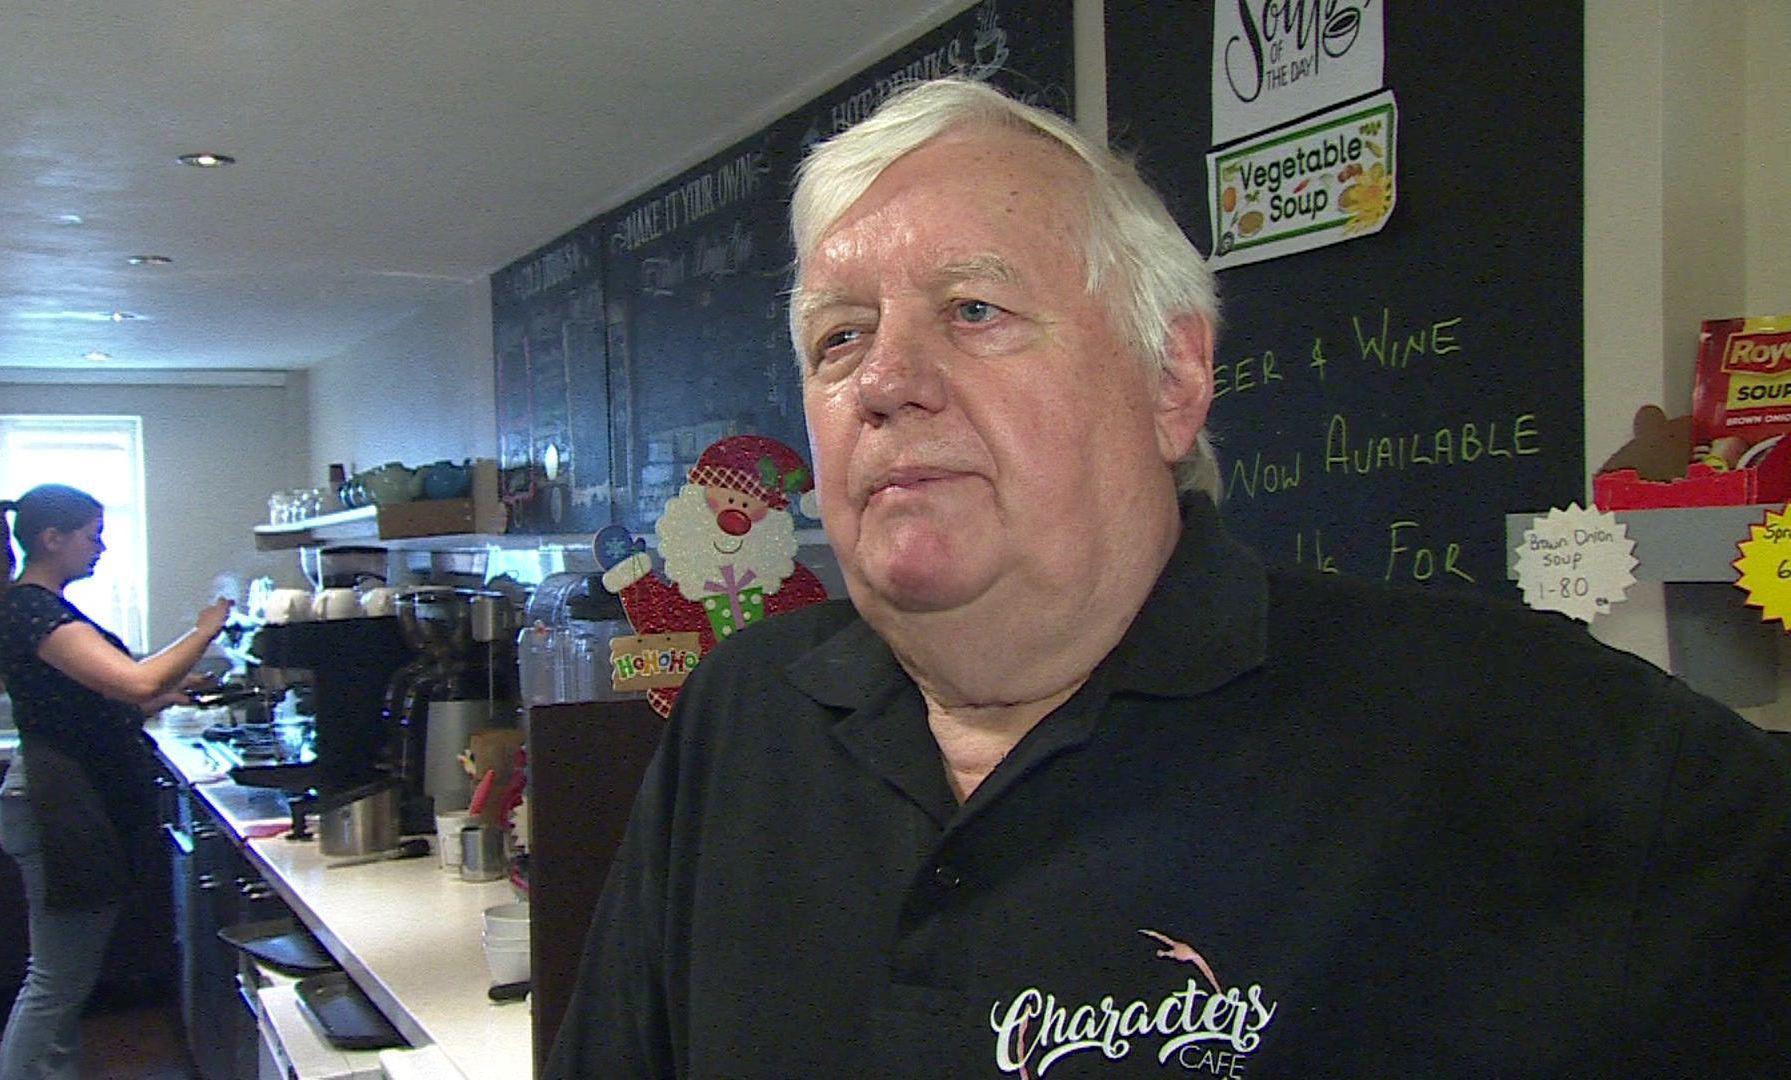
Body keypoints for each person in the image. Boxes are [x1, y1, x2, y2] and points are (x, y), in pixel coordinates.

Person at [546, 78, 1791, 1078]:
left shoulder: (1511, 735)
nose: (884, 379)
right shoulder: (742, 713)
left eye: (973, 309)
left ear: (1173, 382)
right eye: (838, 337)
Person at [0, 484, 231, 1080]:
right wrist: (205, 630)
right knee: (56, 982)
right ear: (52, 539)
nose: (101, 547)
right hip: (54, 804)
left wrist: (171, 692)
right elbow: (133, 682)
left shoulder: (38, 607)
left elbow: (90, 704)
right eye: (93, 535)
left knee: (64, 979)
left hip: (62, 799)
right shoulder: (31, 610)